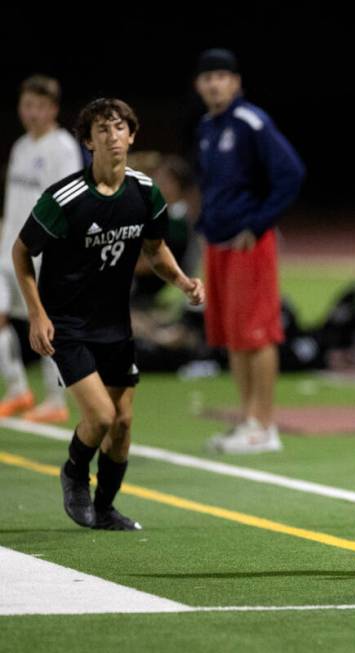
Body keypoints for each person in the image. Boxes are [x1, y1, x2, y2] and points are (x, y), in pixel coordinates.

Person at [11, 98, 204, 530]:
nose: (112, 136)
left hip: (116, 324)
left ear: (131, 136)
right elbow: (22, 253)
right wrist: (38, 314)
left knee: (123, 424)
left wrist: (183, 282)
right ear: (88, 141)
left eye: (119, 128)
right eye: (102, 130)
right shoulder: (65, 198)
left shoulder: (144, 192)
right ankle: (74, 472)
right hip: (69, 324)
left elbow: (155, 250)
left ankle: (105, 508)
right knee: (100, 416)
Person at [193, 48, 305, 454]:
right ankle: (247, 421)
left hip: (249, 245)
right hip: (218, 244)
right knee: (233, 335)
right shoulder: (207, 127)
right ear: (198, 85)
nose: (214, 83)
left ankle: (265, 424)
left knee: (258, 334)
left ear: (236, 82)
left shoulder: (251, 122)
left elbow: (291, 173)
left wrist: (256, 224)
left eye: (222, 76)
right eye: (207, 77)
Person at [0, 75, 82, 423]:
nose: (31, 113)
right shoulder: (20, 147)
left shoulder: (62, 147)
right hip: (9, 250)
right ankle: (18, 388)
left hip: (42, 253)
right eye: (26, 105)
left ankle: (55, 401)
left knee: (43, 324)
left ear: (53, 109)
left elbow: (68, 201)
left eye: (39, 106)